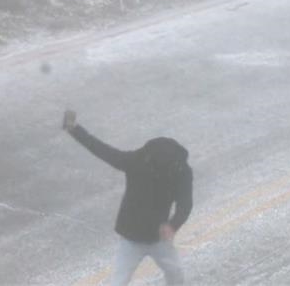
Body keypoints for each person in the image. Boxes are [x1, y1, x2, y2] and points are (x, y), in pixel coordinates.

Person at [63, 110, 193, 286]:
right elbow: (102, 150)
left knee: (176, 274)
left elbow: (185, 204)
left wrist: (173, 225)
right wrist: (75, 129)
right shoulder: (138, 162)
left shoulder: (181, 172)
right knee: (119, 281)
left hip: (159, 238)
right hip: (131, 238)